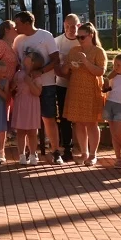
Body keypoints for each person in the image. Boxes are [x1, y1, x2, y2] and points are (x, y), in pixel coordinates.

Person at [12, 11, 62, 163]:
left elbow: (56, 60)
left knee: (48, 117)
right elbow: (16, 62)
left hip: (46, 84)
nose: (15, 27)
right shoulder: (18, 40)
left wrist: (40, 71)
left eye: (18, 24)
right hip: (25, 88)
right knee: (26, 122)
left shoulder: (45, 36)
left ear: (27, 23)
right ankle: (29, 152)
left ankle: (55, 151)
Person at [62, 23, 106, 166]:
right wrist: (68, 66)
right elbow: (64, 72)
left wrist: (85, 61)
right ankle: (84, 152)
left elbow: (100, 72)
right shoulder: (74, 50)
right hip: (76, 89)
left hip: (91, 90)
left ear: (91, 35)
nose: (80, 39)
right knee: (79, 122)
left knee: (91, 122)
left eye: (82, 37)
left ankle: (93, 154)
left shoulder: (98, 51)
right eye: (78, 37)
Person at [53, 14, 81, 161]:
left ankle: (84, 149)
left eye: (73, 26)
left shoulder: (83, 40)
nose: (70, 29)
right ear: (64, 25)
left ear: (79, 26)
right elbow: (55, 66)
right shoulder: (57, 41)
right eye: (67, 26)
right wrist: (68, 77)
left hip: (81, 86)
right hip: (62, 85)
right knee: (65, 118)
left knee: (82, 118)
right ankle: (67, 149)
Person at [11, 50, 44, 165]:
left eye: (29, 56)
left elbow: (37, 92)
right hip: (20, 103)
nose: (25, 57)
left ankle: (33, 154)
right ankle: (22, 155)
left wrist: (29, 82)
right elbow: (13, 87)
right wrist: (13, 87)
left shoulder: (36, 76)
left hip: (32, 105)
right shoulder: (19, 73)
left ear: (33, 62)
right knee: (20, 131)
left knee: (32, 131)